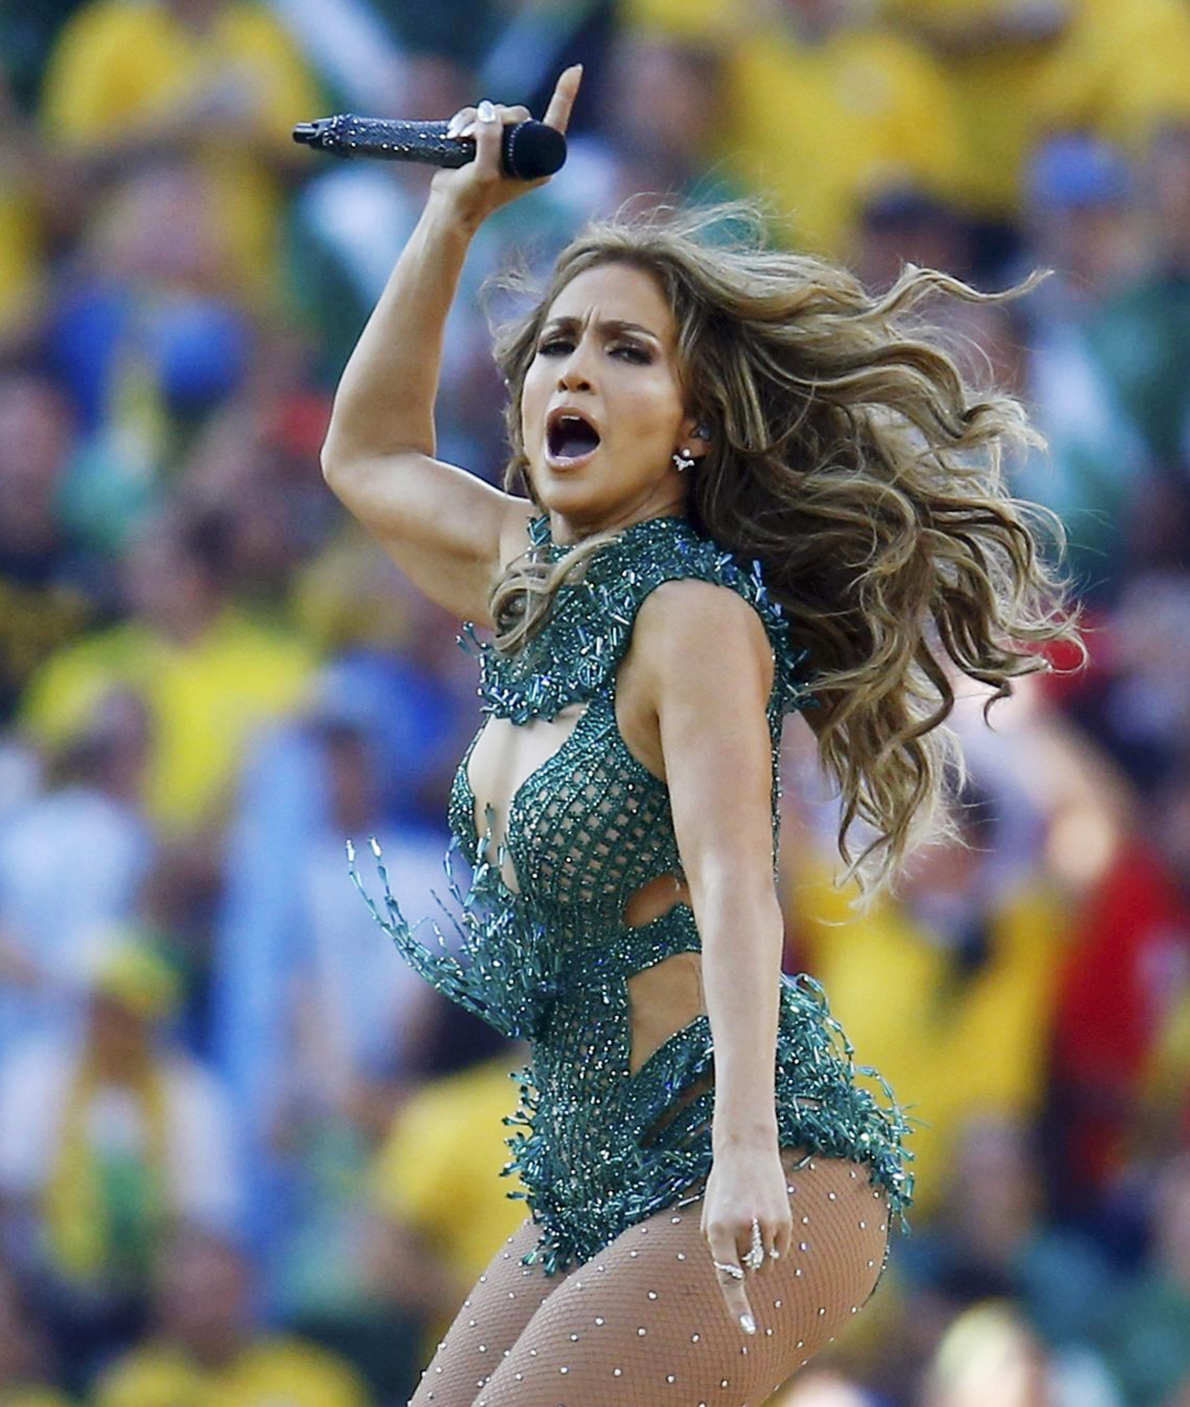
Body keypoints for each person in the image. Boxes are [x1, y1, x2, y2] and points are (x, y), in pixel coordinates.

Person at [319, 69, 1074, 1404]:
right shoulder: (526, 572)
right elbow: (367, 458)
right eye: (557, 343)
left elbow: (737, 882)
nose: (575, 368)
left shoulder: (691, 611)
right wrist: (451, 218)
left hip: (751, 1157)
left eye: (626, 350)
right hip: (594, 1167)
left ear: (696, 424)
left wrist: (739, 1155)